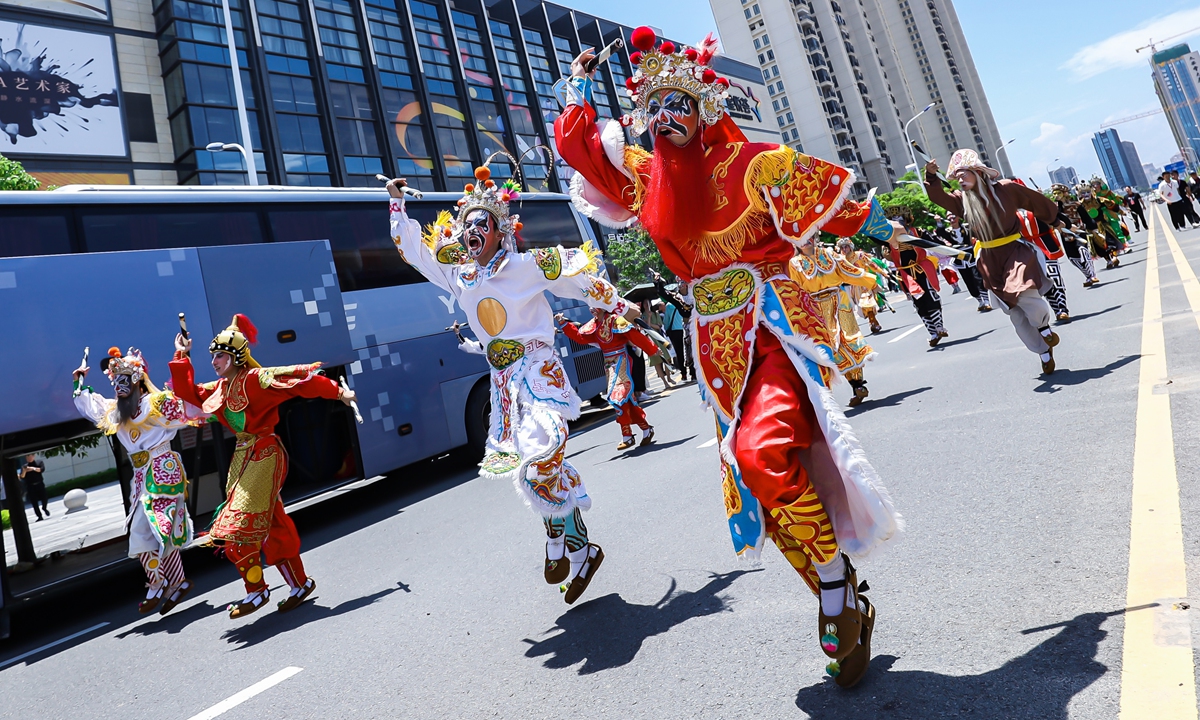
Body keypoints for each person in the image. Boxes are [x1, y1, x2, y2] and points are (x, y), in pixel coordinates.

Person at [556, 29, 902, 688]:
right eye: (654, 107)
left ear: (705, 109)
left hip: (770, 330)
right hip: (715, 352)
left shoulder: (753, 165)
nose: (664, 118)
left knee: (760, 455)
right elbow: (577, 148)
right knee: (766, 491)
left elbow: (840, 212)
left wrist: (893, 232)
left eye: (677, 104)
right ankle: (844, 598)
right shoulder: (648, 179)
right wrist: (577, 84)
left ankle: (833, 585)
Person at [388, 169, 639, 605]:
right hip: (504, 388)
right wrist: (397, 206)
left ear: (500, 231)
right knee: (534, 470)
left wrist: (619, 304)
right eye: (466, 225)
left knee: (541, 460)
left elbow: (579, 279)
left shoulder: (526, 267)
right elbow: (417, 254)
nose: (470, 231)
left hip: (541, 373)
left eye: (480, 223)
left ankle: (558, 543)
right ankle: (581, 551)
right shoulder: (461, 277)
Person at [170, 315, 355, 618]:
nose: (214, 361)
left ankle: (256, 592)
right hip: (244, 459)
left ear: (235, 357)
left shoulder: (256, 380)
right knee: (272, 523)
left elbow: (300, 382)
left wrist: (338, 391)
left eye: (219, 356)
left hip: (266, 454)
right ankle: (299, 584)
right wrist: (182, 354)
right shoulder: (220, 388)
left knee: (237, 528)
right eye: (212, 356)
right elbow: (187, 392)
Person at [72, 347, 202, 614]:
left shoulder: (156, 403)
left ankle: (156, 583)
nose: (119, 387)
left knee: (148, 528)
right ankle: (176, 581)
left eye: (124, 380)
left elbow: (188, 408)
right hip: (141, 475)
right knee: (158, 531)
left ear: (138, 380)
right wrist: (79, 382)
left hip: (162, 468)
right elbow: (91, 406)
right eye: (115, 381)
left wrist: (182, 358)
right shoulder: (117, 412)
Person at [925, 150, 1062, 373]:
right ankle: (1043, 352)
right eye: (957, 177)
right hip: (989, 258)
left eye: (964, 174)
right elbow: (938, 197)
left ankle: (1044, 327)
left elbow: (1033, 201)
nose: (960, 180)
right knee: (1015, 314)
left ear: (978, 172)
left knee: (1023, 291)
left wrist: (1055, 219)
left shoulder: (1006, 189)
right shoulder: (962, 202)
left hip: (1015, 250)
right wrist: (931, 176)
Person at [791, 240, 878, 406]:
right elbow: (795, 290)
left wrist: (871, 281)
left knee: (850, 338)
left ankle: (858, 383)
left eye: (808, 235)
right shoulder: (794, 264)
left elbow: (848, 270)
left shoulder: (829, 254)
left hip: (839, 300)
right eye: (799, 238)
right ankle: (855, 385)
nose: (805, 240)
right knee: (833, 346)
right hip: (816, 308)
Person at [559, 308, 660, 448]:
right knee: (626, 400)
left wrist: (652, 349)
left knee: (616, 397)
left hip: (621, 360)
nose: (591, 309)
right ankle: (645, 429)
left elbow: (635, 336)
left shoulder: (616, 320)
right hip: (608, 365)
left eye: (594, 305)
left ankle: (627, 435)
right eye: (590, 306)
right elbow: (581, 338)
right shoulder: (594, 324)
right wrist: (564, 323)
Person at [889, 210, 948, 346]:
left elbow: (934, 241)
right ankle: (933, 333)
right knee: (919, 303)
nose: (897, 222)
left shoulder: (917, 232)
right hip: (906, 274)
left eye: (900, 219)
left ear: (906, 220)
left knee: (931, 297)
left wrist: (948, 245)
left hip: (922, 269)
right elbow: (887, 255)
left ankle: (939, 327)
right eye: (894, 220)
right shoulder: (889, 238)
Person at [1049, 184, 1100, 287]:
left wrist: (1093, 228)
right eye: (1054, 193)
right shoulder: (1054, 208)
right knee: (1073, 258)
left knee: (1083, 251)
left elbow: (1086, 218)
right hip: (1065, 235)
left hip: (1079, 231)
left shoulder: (1076, 204)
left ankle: (1092, 275)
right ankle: (1088, 275)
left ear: (1064, 193)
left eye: (1058, 193)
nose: (1056, 195)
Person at [653, 271, 694, 382]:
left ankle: (696, 372)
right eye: (679, 283)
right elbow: (664, 294)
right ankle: (686, 373)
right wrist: (657, 281)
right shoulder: (677, 299)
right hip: (686, 327)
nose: (680, 286)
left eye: (683, 283)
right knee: (686, 350)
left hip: (699, 324)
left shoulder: (696, 293)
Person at [945, 214, 992, 311]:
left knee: (978, 278)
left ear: (958, 218)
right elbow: (940, 233)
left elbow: (978, 233)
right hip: (960, 260)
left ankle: (987, 300)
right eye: (949, 218)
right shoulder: (948, 232)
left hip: (971, 257)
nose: (951, 220)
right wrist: (938, 223)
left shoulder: (966, 228)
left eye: (953, 217)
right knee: (969, 282)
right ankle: (980, 301)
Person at [18, 454, 48, 521]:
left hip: (39, 484)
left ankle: (44, 508)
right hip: (30, 486)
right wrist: (25, 471)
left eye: (29, 456)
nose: (28, 458)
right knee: (34, 502)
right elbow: (22, 476)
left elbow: (41, 469)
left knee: (44, 498)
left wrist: (33, 468)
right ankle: (39, 516)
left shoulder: (39, 462)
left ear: (33, 456)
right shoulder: (24, 466)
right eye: (26, 457)